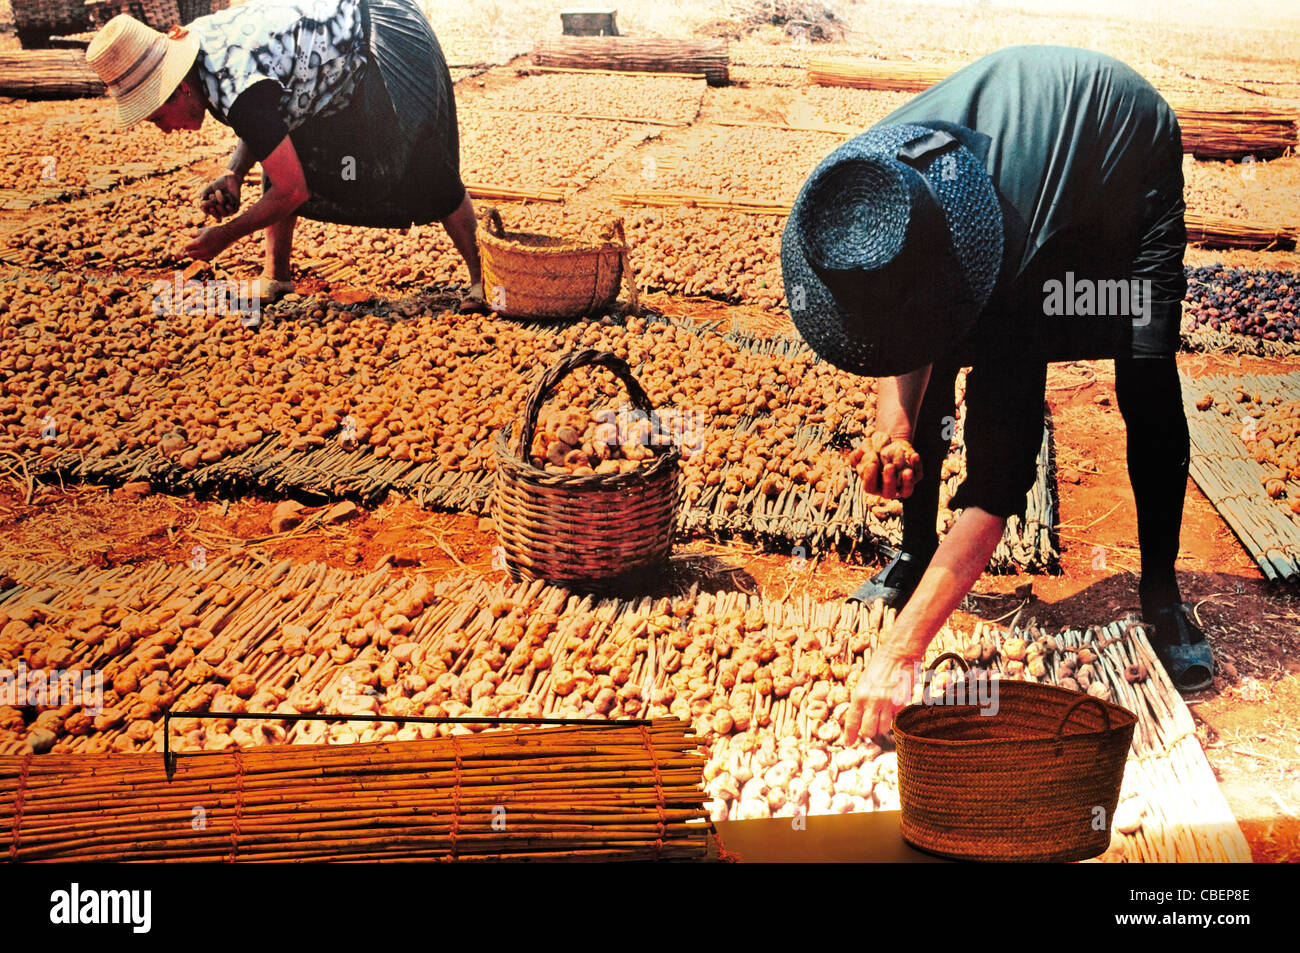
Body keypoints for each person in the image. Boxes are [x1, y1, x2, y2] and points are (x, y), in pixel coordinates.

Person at [780, 45, 1214, 745]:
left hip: (1122, 148)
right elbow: (907, 329)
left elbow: (997, 485)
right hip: (1019, 156)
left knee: (1146, 364)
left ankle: (1162, 593)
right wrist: (894, 426)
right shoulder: (870, 188)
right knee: (939, 347)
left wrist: (901, 652)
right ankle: (915, 552)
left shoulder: (1014, 258)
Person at [86, 0, 486, 311]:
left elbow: (292, 190)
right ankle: (276, 275)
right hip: (325, 58)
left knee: (420, 155)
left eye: (158, 117)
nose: (165, 129)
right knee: (279, 152)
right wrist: (233, 174)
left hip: (380, 29)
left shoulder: (234, 84)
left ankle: (483, 278)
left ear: (180, 90)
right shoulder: (198, 52)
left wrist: (223, 237)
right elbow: (266, 117)